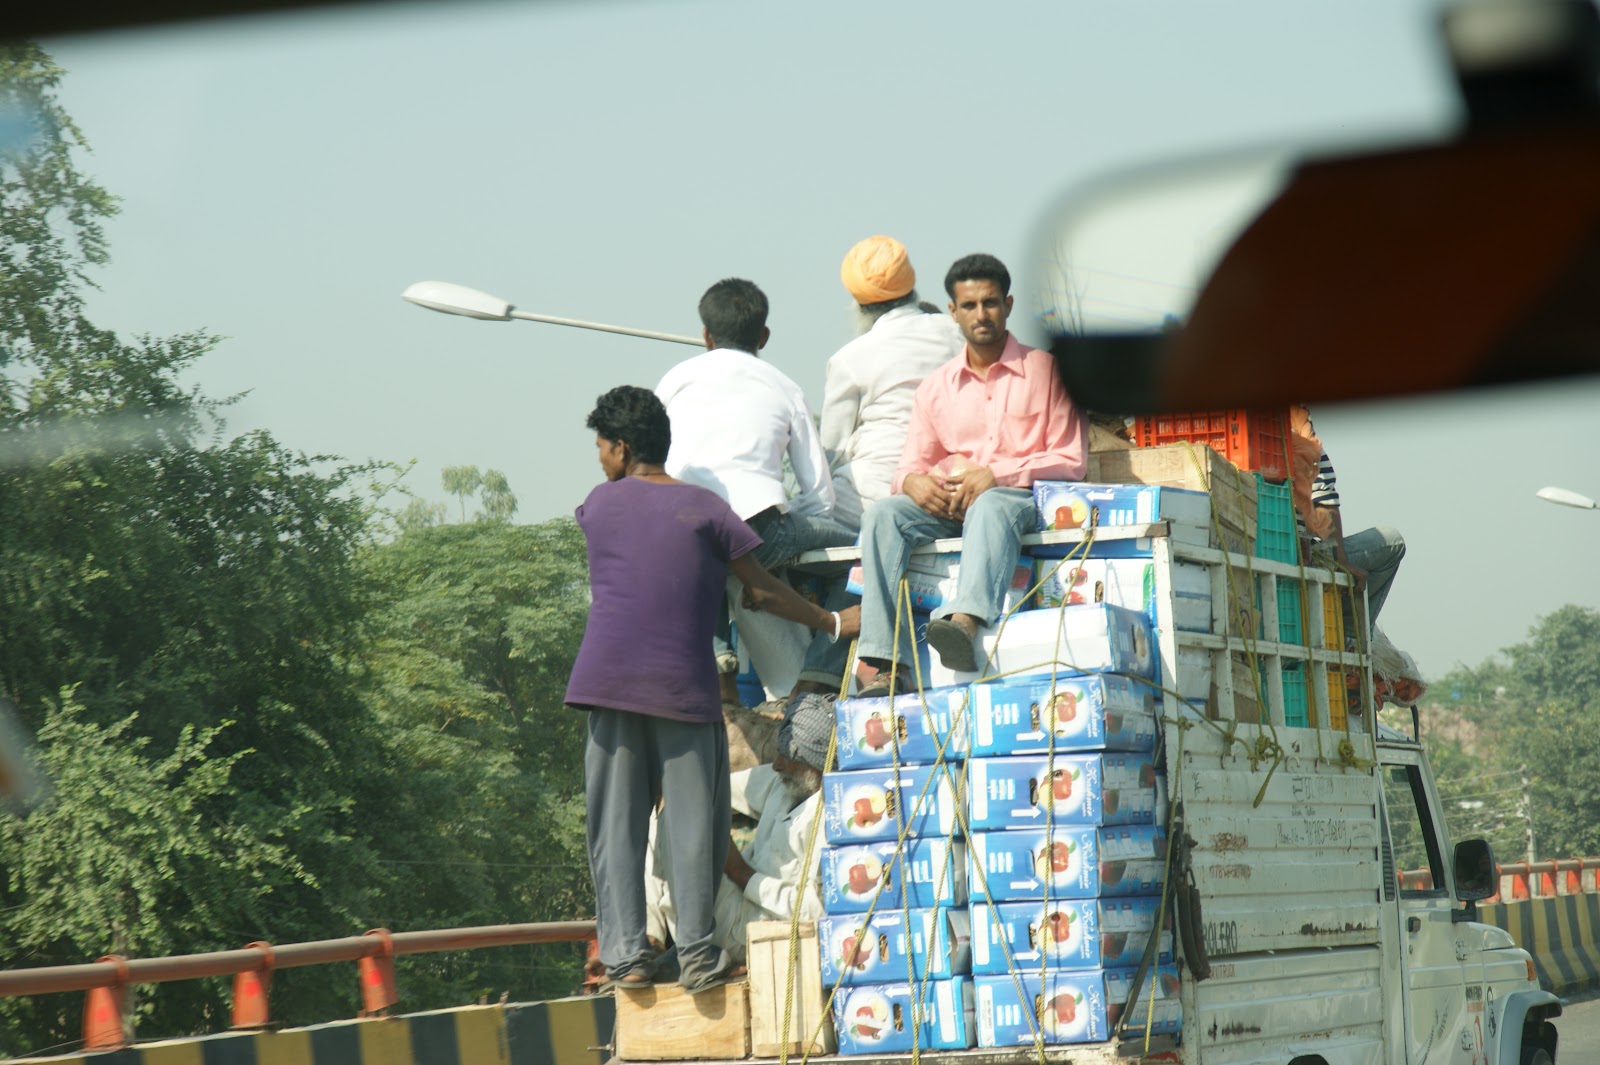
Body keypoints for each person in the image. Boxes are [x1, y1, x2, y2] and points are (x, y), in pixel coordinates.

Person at [565, 386, 859, 993]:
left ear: (622, 448)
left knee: (616, 825)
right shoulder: (707, 511)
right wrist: (831, 621)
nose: (599, 460)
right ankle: (698, 957)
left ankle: (626, 959)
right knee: (695, 824)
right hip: (683, 690)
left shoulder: (597, 505)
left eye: (601, 447)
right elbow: (760, 592)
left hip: (610, 684)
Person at [854, 254, 1088, 692]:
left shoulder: (1050, 371)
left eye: (990, 302)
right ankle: (886, 662)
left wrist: (995, 475)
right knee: (884, 514)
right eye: (969, 306)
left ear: (1008, 304)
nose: (981, 315)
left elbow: (1071, 459)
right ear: (952, 312)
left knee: (991, 503)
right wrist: (912, 482)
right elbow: (909, 464)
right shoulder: (936, 386)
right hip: (953, 503)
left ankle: (964, 621)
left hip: (1023, 501)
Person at [656, 278, 856, 698]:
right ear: (763, 335)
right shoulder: (784, 386)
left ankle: (717, 656)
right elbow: (821, 495)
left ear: (706, 335)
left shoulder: (675, 379)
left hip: (676, 533)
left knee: (699, 550)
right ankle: (817, 673)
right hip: (758, 532)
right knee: (860, 555)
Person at [645, 693, 832, 966]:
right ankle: (650, 936)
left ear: (814, 762)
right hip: (734, 902)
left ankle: (696, 956)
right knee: (665, 814)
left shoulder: (830, 818)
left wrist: (741, 873)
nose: (777, 764)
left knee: (673, 818)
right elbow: (713, 791)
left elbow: (818, 911)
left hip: (761, 930)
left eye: (787, 757)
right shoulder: (783, 782)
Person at [819, 236, 964, 529]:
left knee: (810, 509)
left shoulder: (850, 358)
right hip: (954, 490)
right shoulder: (957, 334)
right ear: (911, 288)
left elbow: (831, 452)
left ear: (859, 305)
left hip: (876, 492)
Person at [1288, 404, 1406, 624]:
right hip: (1300, 555)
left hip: (1267, 549)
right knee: (1394, 542)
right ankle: (1353, 635)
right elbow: (1324, 498)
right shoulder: (1299, 433)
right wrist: (1341, 561)